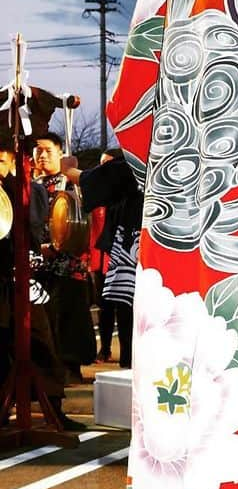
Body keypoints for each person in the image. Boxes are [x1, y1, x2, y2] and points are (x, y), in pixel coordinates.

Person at [0, 141, 78, 431]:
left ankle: (54, 407)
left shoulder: (31, 190)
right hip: (3, 280)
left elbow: (34, 231)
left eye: (1, 161)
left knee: (42, 342)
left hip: (24, 279)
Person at [63, 154, 142, 369]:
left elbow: (111, 176)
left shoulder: (137, 163)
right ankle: (118, 353)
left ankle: (130, 358)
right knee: (114, 307)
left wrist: (70, 170)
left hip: (135, 252)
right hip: (109, 255)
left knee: (129, 309)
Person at [31, 131, 96, 381]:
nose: (42, 155)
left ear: (60, 152)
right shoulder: (33, 185)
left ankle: (71, 369)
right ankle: (48, 373)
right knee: (44, 323)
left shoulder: (71, 181)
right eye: (37, 151)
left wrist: (56, 246)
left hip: (69, 265)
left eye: (48, 150)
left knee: (70, 319)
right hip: (39, 265)